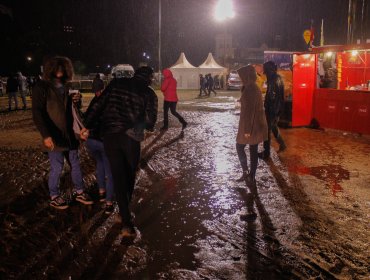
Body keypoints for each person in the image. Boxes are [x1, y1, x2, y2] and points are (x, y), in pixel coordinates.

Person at [81, 66, 158, 238]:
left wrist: (86, 126)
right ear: (149, 77)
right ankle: (125, 222)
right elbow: (150, 121)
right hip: (130, 139)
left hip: (110, 136)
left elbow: (98, 106)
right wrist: (137, 125)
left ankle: (123, 216)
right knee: (129, 176)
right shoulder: (149, 93)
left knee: (118, 177)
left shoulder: (115, 85)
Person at [32, 56, 93, 209]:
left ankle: (80, 192)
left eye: (63, 68)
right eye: (57, 68)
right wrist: (46, 135)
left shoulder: (66, 87)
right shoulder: (42, 87)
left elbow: (74, 111)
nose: (60, 71)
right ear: (50, 69)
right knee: (57, 167)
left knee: (76, 164)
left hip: (70, 136)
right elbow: (37, 113)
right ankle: (54, 195)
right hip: (54, 136)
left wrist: (77, 101)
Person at [236, 65, 267, 184]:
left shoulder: (250, 89)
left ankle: (247, 173)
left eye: (242, 76)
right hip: (256, 124)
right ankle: (250, 175)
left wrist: (247, 130)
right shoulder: (252, 87)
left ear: (247, 76)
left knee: (240, 147)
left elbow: (250, 111)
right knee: (252, 149)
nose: (241, 78)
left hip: (251, 125)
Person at [84, 94, 115, 214]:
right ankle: (108, 203)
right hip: (103, 142)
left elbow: (86, 119)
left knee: (100, 164)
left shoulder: (94, 103)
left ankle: (101, 191)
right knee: (110, 173)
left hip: (91, 141)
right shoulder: (109, 107)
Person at [258, 61, 286, 160]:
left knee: (267, 130)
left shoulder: (274, 79)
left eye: (266, 71)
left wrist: (270, 108)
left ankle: (266, 153)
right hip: (275, 109)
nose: (266, 74)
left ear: (270, 70)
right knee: (273, 127)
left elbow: (273, 96)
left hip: (272, 109)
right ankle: (282, 145)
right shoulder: (276, 78)